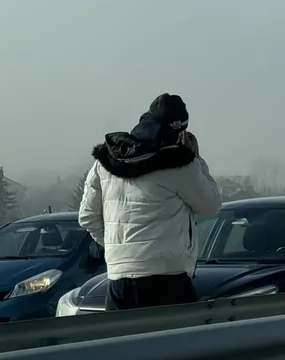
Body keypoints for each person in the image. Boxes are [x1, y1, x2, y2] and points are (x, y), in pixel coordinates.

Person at [78, 93, 222, 310]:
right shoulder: (180, 164)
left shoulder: (106, 162)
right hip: (168, 278)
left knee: (121, 343)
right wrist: (197, 159)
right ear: (179, 130)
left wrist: (119, 250)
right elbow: (210, 205)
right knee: (174, 343)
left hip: (119, 280)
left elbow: (87, 217)